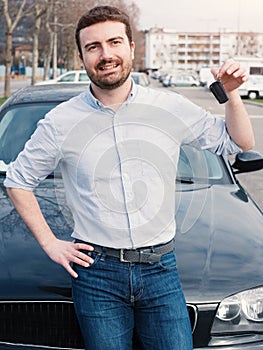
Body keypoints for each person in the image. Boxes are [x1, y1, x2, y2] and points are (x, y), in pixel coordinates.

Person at [4, 5, 254, 350]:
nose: (106, 54)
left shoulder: (169, 107)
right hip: (96, 275)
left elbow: (239, 141)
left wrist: (232, 93)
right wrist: (50, 243)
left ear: (131, 48)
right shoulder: (60, 122)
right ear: (82, 57)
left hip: (160, 270)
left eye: (114, 42)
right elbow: (18, 181)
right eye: (93, 47)